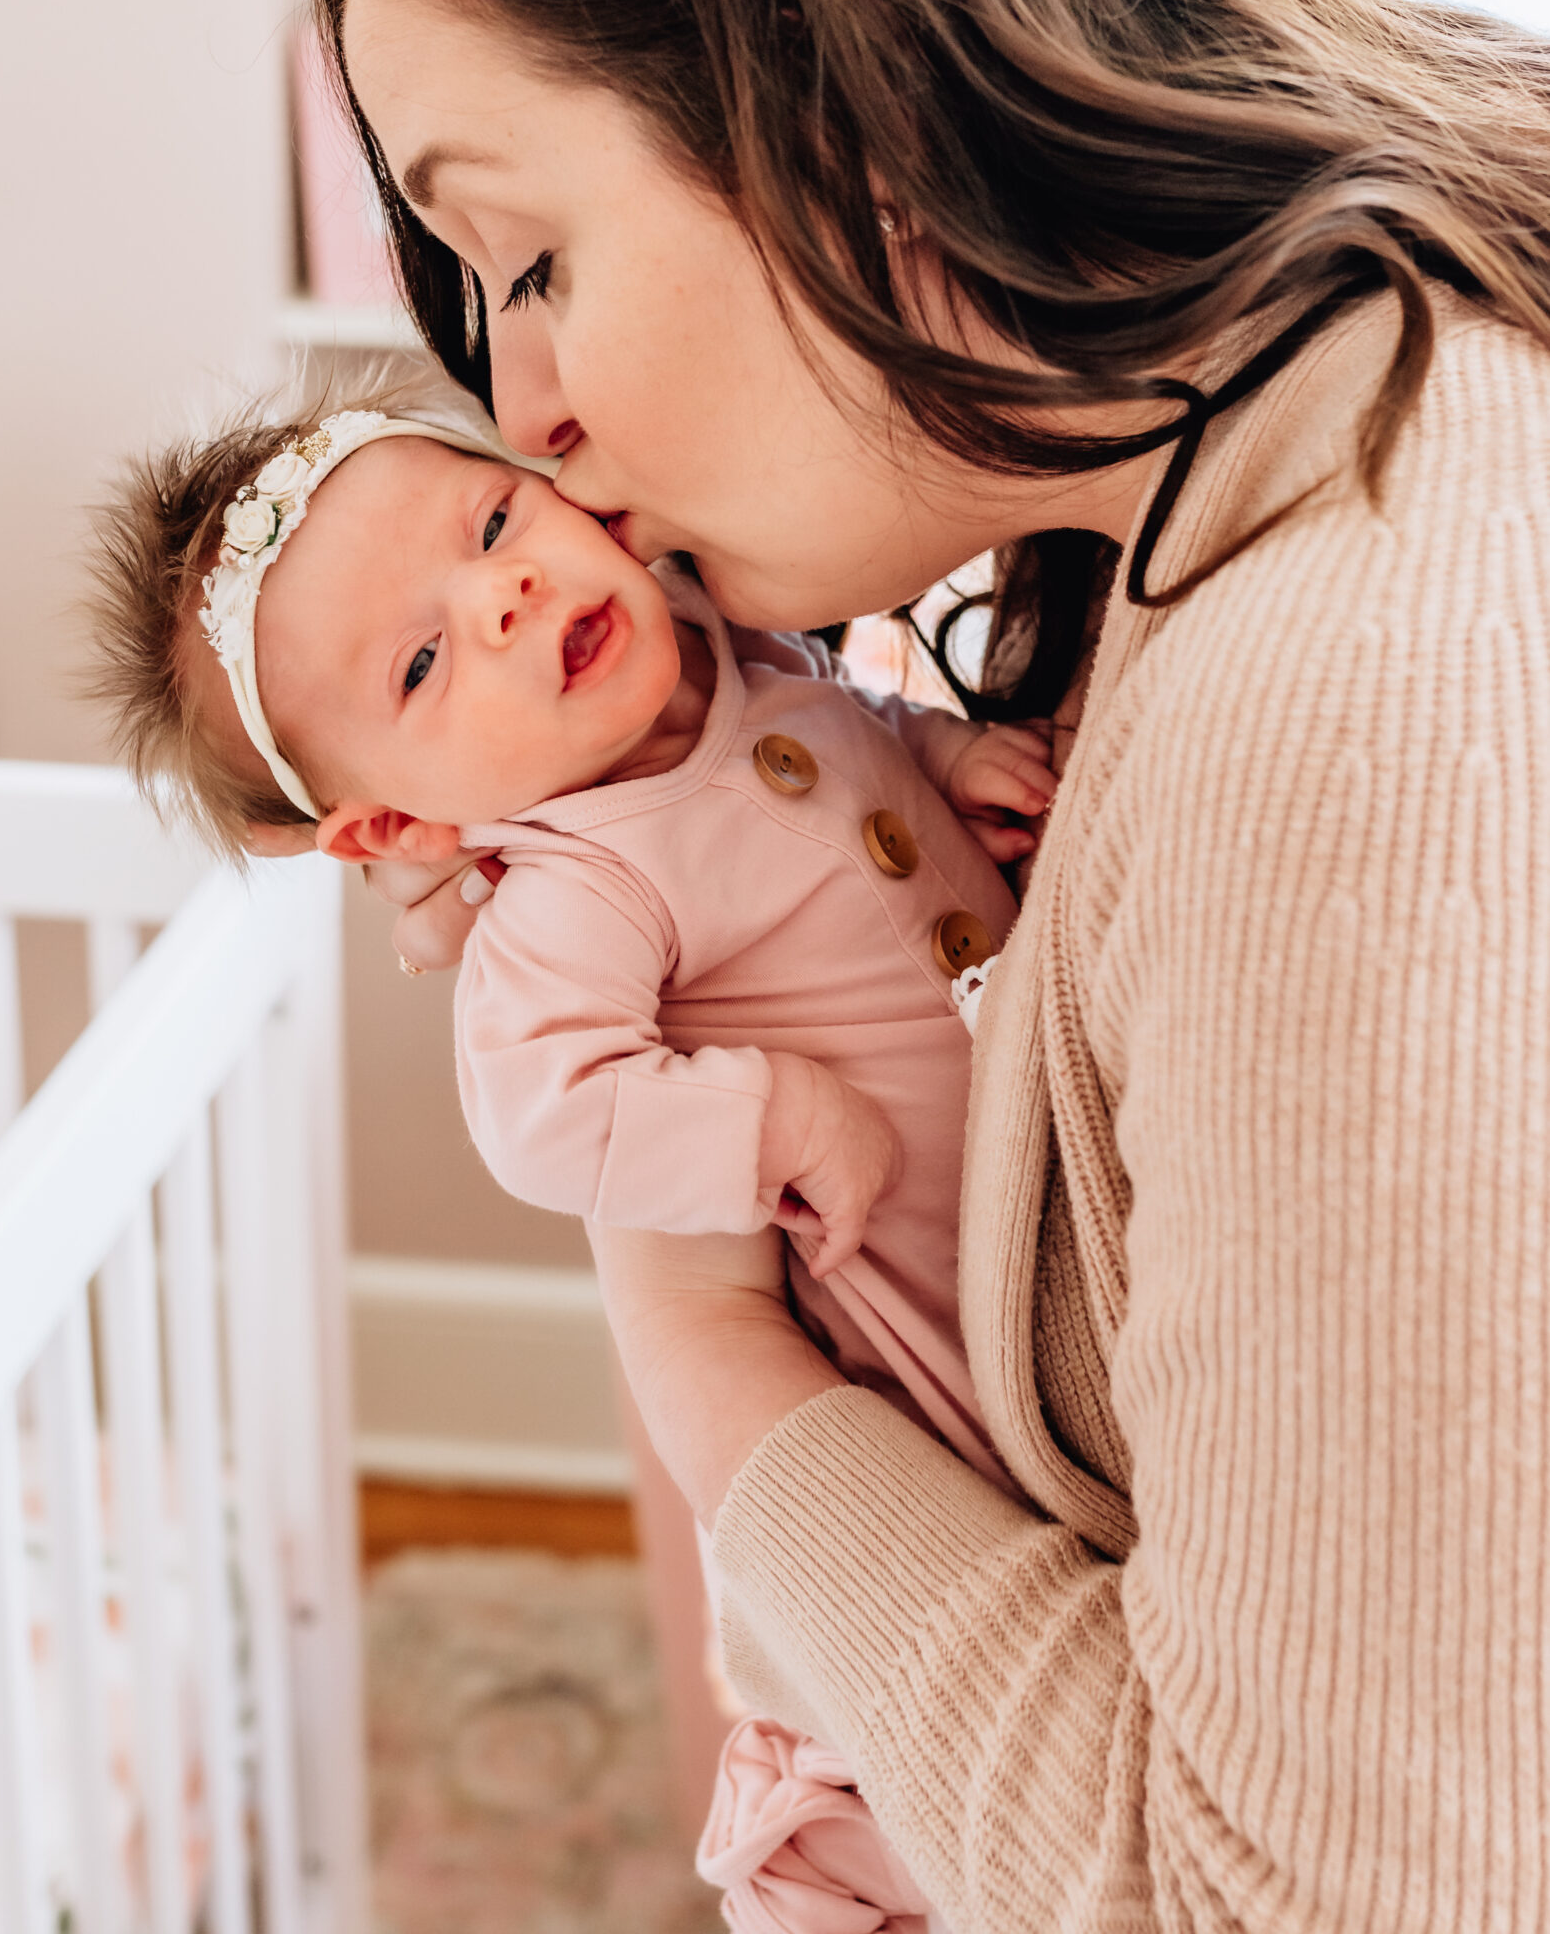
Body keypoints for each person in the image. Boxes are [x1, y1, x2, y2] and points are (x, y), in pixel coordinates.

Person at [309, 0, 1550, 1929]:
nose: (527, 415)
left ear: (830, 91)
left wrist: (698, 1341)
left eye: (528, 263)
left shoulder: (1355, 700)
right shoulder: (1273, 481)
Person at [87, 373, 1052, 1927]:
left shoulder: (734, 659)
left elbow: (846, 731)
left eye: (488, 523)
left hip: (1031, 1196)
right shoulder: (574, 890)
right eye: (421, 660)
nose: (505, 593)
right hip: (916, 1311)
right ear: (391, 831)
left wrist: (938, 766)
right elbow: (542, 1107)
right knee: (956, 1639)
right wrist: (764, 1115)